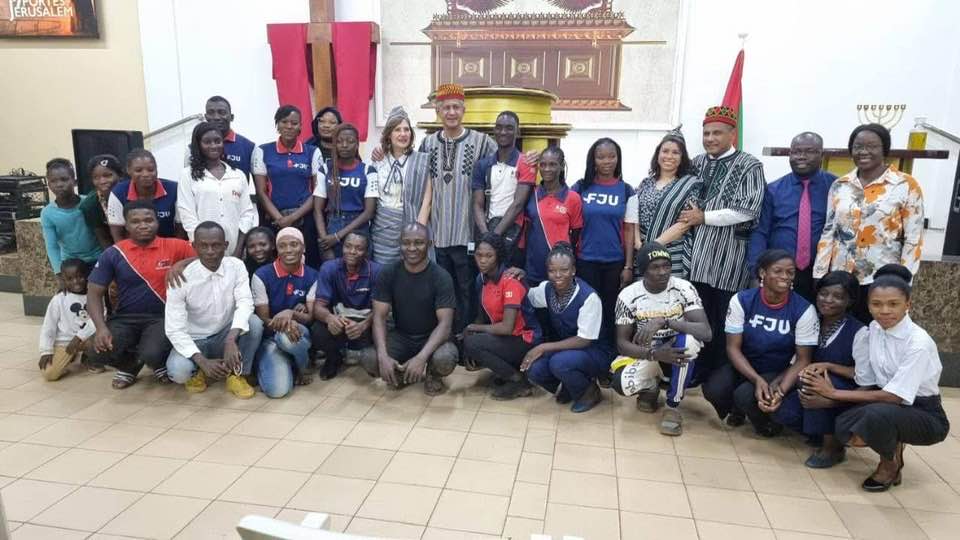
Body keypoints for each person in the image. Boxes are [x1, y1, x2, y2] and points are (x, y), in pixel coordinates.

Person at [802, 265, 949, 491]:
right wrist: (828, 368)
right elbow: (866, 377)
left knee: (874, 416)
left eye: (893, 304)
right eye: (877, 304)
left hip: (923, 412)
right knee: (844, 425)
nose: (884, 311)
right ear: (868, 305)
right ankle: (894, 442)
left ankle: (889, 464)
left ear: (908, 305)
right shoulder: (874, 329)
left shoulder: (918, 343)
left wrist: (832, 393)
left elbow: (894, 396)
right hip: (886, 404)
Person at [680, 106, 766, 381]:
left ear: (732, 134)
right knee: (697, 315)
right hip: (695, 257)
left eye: (717, 133)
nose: (710, 138)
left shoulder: (750, 165)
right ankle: (697, 369)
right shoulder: (695, 163)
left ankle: (720, 374)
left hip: (728, 258)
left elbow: (748, 209)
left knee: (725, 317)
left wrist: (703, 217)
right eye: (706, 133)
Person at [814, 124, 925, 323]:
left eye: (872, 146)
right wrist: (820, 273)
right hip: (841, 279)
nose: (863, 151)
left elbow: (913, 238)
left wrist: (903, 280)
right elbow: (829, 231)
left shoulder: (905, 185)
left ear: (884, 149)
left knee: (875, 331)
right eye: (858, 146)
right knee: (840, 332)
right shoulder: (840, 185)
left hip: (881, 280)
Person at [702, 249, 819, 434]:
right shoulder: (742, 300)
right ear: (763, 273)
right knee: (714, 389)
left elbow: (803, 359)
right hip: (744, 365)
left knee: (745, 395)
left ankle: (766, 423)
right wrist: (756, 380)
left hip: (778, 371)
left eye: (790, 272)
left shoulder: (804, 309)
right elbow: (733, 348)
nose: (785, 277)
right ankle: (737, 409)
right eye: (778, 271)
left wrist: (781, 390)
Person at [87, 201, 195, 389]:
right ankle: (130, 365)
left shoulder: (175, 246)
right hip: (125, 318)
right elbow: (93, 294)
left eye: (148, 220)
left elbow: (208, 256)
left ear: (157, 222)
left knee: (152, 353)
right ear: (126, 226)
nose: (143, 225)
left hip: (162, 317)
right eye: (135, 221)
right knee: (94, 351)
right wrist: (101, 328)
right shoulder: (114, 253)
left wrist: (181, 263)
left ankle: (157, 362)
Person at [418, 83, 497, 333]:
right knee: (442, 289)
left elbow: (505, 161)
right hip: (439, 235)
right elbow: (419, 182)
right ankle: (445, 335)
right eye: (446, 108)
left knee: (467, 289)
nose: (451, 112)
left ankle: (464, 336)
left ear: (464, 110)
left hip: (467, 234)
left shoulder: (482, 142)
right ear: (438, 111)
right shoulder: (427, 144)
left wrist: (530, 158)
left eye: (456, 107)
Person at [610, 243, 712, 435]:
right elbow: (622, 344)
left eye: (666, 266)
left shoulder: (683, 288)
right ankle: (650, 387)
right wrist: (655, 354)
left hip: (677, 351)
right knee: (621, 384)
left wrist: (666, 321)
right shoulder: (628, 296)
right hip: (650, 352)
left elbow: (706, 332)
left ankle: (673, 406)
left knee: (688, 342)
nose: (663, 272)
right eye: (655, 267)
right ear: (643, 271)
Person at [772, 271, 864, 468]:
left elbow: (862, 375)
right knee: (782, 411)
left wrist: (829, 366)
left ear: (850, 301)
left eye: (838, 296)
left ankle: (833, 448)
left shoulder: (859, 332)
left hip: (843, 391)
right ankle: (817, 433)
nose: (828, 300)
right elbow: (799, 360)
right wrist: (779, 381)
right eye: (823, 293)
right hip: (808, 384)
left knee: (813, 384)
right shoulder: (811, 321)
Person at [164, 221, 261, 399]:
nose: (210, 251)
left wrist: (231, 339)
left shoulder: (236, 266)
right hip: (195, 339)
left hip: (224, 334)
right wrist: (202, 361)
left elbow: (245, 302)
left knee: (254, 323)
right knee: (179, 371)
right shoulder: (180, 278)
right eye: (204, 246)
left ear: (226, 245)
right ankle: (198, 371)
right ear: (194, 246)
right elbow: (174, 329)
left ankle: (236, 374)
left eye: (216, 245)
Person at [368, 223, 459, 395]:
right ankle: (401, 373)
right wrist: (382, 356)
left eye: (418, 243)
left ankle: (433, 374)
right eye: (406, 243)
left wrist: (421, 357)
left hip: (431, 336)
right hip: (401, 336)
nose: (411, 248)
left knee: (445, 358)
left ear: (429, 244)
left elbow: (445, 325)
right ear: (400, 243)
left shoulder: (441, 277)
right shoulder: (389, 272)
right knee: (370, 359)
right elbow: (379, 317)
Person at [523, 243, 613, 413]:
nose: (558, 275)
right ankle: (570, 386)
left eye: (564, 270)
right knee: (534, 369)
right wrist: (519, 278)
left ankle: (590, 391)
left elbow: (584, 340)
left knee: (559, 363)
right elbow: (526, 295)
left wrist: (542, 347)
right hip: (567, 350)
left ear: (573, 270)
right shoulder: (547, 289)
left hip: (595, 352)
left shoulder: (588, 297)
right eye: (552, 270)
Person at [748, 132, 836, 303]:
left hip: (822, 272)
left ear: (821, 154)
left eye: (809, 151)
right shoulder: (773, 189)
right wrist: (756, 271)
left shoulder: (836, 187)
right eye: (796, 152)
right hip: (781, 271)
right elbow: (760, 232)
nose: (801, 156)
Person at [464, 233, 541, 400]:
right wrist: (471, 331)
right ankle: (506, 371)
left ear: (498, 256)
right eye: (479, 255)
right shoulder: (481, 279)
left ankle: (518, 381)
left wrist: (474, 329)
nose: (482, 260)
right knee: (467, 340)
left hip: (524, 338)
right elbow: (482, 316)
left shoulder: (510, 281)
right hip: (505, 337)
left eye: (489, 256)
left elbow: (507, 328)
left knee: (472, 343)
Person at [571, 138, 634, 343]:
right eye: (601, 157)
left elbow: (629, 229)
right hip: (585, 260)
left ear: (618, 158)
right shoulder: (580, 187)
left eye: (611, 156)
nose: (607, 161)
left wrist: (628, 266)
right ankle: (588, 351)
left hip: (614, 263)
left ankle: (609, 354)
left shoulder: (626, 190)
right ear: (593, 160)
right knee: (589, 310)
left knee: (610, 311)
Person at [624, 129, 702, 278]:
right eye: (665, 151)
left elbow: (685, 223)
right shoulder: (646, 183)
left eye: (675, 152)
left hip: (671, 253)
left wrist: (654, 245)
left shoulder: (691, 184)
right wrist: (638, 243)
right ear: (658, 154)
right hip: (641, 253)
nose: (669, 156)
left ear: (682, 158)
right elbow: (634, 216)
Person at [252, 105, 324, 267]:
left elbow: (317, 191)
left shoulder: (312, 152)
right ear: (277, 125)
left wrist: (292, 218)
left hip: (305, 219)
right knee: (277, 264)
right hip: (274, 219)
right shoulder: (262, 151)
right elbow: (261, 192)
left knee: (309, 263)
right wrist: (279, 219)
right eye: (284, 122)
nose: (289, 126)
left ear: (300, 127)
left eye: (294, 123)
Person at [251, 227, 317, 398]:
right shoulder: (261, 275)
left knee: (286, 339)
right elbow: (263, 318)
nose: (288, 250)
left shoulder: (313, 276)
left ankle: (303, 366)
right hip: (270, 337)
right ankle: (277, 362)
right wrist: (286, 323)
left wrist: (291, 314)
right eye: (282, 246)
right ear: (277, 249)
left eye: (294, 244)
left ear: (303, 247)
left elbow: (310, 318)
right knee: (278, 391)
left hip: (298, 333)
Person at [178, 122, 257, 257]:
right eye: (207, 142)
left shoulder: (238, 175)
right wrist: (200, 246)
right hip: (204, 251)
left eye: (217, 141)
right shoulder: (187, 175)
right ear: (198, 145)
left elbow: (247, 214)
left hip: (234, 247)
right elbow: (187, 214)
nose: (214, 146)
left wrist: (238, 249)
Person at [310, 231, 380, 380]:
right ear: (342, 248)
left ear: (366, 252)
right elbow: (318, 307)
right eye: (348, 246)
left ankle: (360, 352)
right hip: (339, 324)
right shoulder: (329, 268)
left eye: (359, 248)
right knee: (317, 330)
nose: (352, 251)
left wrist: (363, 326)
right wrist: (329, 318)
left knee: (372, 362)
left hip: (365, 327)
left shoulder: (377, 271)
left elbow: (381, 310)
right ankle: (334, 357)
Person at [472, 111, 536, 267]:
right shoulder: (482, 165)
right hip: (487, 233)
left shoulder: (526, 163)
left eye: (509, 128)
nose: (503, 132)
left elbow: (518, 204)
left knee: (510, 278)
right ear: (494, 131)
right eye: (499, 127)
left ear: (517, 132)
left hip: (514, 237)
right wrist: (486, 236)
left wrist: (494, 236)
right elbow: (477, 204)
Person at [369, 106, 432, 265]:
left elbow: (427, 201)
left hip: (411, 228)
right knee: (383, 273)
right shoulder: (378, 161)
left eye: (406, 129)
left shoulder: (422, 161)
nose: (403, 134)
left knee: (410, 271)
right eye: (397, 130)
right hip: (382, 231)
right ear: (389, 134)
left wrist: (417, 232)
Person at [313, 123, 378, 260]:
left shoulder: (368, 171)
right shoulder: (325, 169)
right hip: (332, 225)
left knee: (359, 269)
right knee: (332, 269)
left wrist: (338, 236)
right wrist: (325, 240)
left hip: (358, 227)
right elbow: (317, 209)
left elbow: (369, 212)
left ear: (357, 144)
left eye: (350, 141)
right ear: (334, 144)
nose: (344, 145)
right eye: (339, 141)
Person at [523, 146, 582, 286]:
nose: (547, 169)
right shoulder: (531, 194)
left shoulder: (573, 198)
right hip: (533, 266)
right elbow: (526, 230)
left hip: (559, 268)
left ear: (561, 166)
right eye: (543, 164)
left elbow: (576, 234)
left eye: (552, 164)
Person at [38, 259, 101, 380]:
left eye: (80, 277)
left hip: (87, 339)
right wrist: (46, 350)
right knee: (49, 374)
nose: (76, 282)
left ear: (87, 275)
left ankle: (89, 357)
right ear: (63, 280)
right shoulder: (59, 299)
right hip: (65, 342)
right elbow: (48, 326)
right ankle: (71, 357)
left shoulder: (95, 294)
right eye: (70, 279)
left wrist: (78, 338)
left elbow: (98, 319)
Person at [41, 158, 102, 277]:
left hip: (97, 259)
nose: (59, 184)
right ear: (49, 185)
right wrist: (59, 273)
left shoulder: (89, 203)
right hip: (71, 264)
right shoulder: (47, 213)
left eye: (64, 179)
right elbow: (52, 246)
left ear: (75, 181)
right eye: (53, 181)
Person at [107, 149, 180, 242]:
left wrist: (174, 249)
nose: (145, 174)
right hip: (133, 247)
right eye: (138, 170)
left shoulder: (174, 189)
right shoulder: (118, 192)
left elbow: (180, 228)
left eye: (151, 170)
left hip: (169, 245)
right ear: (129, 170)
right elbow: (117, 234)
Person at [187, 96, 257, 178]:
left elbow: (259, 184)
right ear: (206, 117)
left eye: (222, 112)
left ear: (231, 117)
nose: (216, 117)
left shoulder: (249, 147)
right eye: (211, 113)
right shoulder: (192, 148)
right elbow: (188, 179)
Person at [79, 154, 124, 249]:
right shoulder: (90, 205)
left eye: (107, 175)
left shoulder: (130, 194)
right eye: (96, 177)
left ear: (120, 175)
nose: (102, 181)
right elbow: (103, 239)